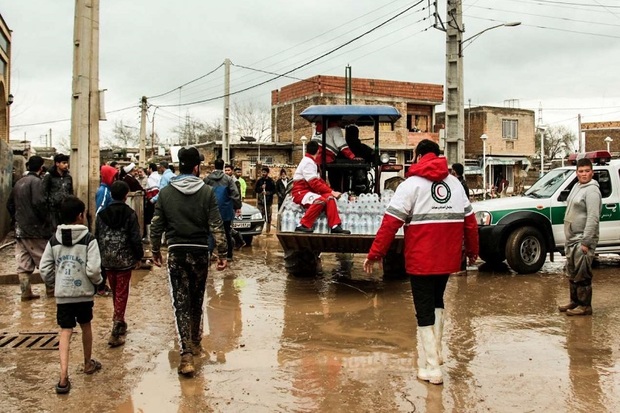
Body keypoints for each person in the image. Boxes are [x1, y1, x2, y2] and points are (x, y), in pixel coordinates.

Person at [363, 139, 478, 385]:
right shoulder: (455, 183)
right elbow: (470, 221)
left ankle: (432, 368)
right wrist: (472, 251)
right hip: (447, 259)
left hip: (421, 259)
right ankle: (436, 353)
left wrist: (375, 253)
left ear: (417, 156)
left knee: (423, 309)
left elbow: (390, 223)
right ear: (437, 156)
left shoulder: (410, 185)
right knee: (437, 301)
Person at [150, 147, 228, 376]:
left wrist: (155, 249)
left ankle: (186, 353)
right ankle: (195, 342)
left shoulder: (165, 193)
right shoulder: (206, 192)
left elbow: (156, 225)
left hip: (176, 252)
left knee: (180, 301)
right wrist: (222, 254)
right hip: (199, 252)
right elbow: (217, 225)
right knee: (196, 298)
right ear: (196, 167)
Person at [39, 196, 104, 394]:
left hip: (63, 295)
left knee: (65, 331)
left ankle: (63, 377)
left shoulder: (54, 240)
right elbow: (93, 270)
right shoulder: (88, 239)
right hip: (83, 294)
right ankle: (87, 364)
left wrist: (55, 282)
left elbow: (44, 268)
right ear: (80, 216)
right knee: (86, 327)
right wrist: (98, 283)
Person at [95, 181, 144, 347]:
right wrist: (139, 257)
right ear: (125, 195)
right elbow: (135, 238)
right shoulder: (130, 214)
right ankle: (116, 325)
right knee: (122, 292)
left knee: (116, 290)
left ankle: (120, 319)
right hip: (124, 260)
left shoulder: (101, 215)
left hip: (107, 259)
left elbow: (97, 237)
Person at [559, 157, 601, 316]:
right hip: (571, 239)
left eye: (587, 171)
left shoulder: (592, 191)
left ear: (592, 172)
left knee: (582, 273)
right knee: (573, 271)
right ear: (576, 173)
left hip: (582, 239)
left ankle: (585, 306)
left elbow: (593, 218)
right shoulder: (577, 186)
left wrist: (586, 241)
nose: (584, 174)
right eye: (581, 171)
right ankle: (575, 301)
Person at [7, 155, 53, 300]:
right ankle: (51, 292)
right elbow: (39, 203)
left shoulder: (19, 182)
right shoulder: (37, 182)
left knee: (23, 263)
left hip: (20, 229)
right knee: (45, 261)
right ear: (41, 168)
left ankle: (25, 292)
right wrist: (47, 221)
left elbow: (10, 205)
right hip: (35, 230)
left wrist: (17, 219)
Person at [291, 140, 350, 234]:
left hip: (308, 192)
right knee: (321, 200)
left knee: (330, 198)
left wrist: (330, 192)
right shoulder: (308, 162)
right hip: (301, 193)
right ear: (318, 151)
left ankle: (335, 226)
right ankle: (302, 225)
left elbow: (319, 181)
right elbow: (314, 183)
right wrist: (332, 192)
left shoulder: (311, 162)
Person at [204, 159, 242, 260]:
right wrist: (238, 207)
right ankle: (229, 255)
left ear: (214, 166)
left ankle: (209, 253)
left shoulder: (207, 179)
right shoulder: (228, 179)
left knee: (211, 233)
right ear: (223, 166)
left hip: (211, 211)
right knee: (227, 232)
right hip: (226, 211)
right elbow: (235, 194)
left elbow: (203, 194)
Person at [42, 153, 74, 229]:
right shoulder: (49, 177)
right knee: (54, 230)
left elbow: (70, 192)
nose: (66, 165)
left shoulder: (68, 177)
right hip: (53, 210)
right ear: (57, 163)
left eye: (67, 163)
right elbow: (44, 192)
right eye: (64, 163)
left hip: (65, 209)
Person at [254, 166, 276, 232]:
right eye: (262, 172)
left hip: (268, 202)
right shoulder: (259, 181)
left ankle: (268, 230)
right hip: (261, 202)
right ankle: (259, 229)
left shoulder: (271, 181)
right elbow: (255, 190)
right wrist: (261, 188)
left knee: (268, 217)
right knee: (260, 216)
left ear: (267, 173)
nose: (263, 173)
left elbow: (274, 190)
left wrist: (268, 193)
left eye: (265, 172)